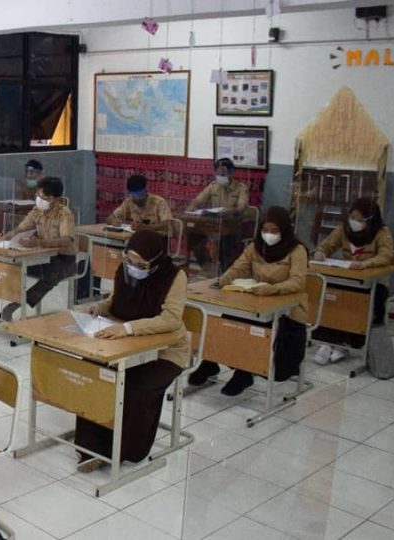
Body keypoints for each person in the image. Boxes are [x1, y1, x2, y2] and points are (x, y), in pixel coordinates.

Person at [75, 230, 188, 472]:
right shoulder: (123, 270)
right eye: (129, 260)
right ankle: (90, 447)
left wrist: (128, 328)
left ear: (156, 261)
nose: (133, 267)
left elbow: (171, 319)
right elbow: (115, 301)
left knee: (137, 386)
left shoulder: (174, 277)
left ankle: (124, 451)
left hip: (165, 352)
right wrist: (99, 307)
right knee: (94, 373)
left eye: (141, 264)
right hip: (125, 347)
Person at [188, 206, 309, 396]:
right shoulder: (256, 246)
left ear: (284, 230)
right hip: (255, 302)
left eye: (274, 231)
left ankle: (244, 372)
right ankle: (210, 362)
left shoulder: (297, 250)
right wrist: (223, 280)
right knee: (225, 322)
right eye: (265, 230)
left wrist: (273, 289)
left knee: (251, 328)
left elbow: (298, 281)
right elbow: (239, 268)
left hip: (286, 309)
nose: (268, 234)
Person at [0, 177, 77, 320]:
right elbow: (21, 228)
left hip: (64, 259)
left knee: (49, 277)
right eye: (38, 195)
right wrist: (6, 237)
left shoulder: (64, 214)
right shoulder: (38, 210)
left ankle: (12, 308)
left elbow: (67, 240)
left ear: (56, 199)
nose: (39, 199)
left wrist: (39, 243)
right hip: (42, 256)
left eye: (44, 197)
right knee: (9, 266)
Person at [311, 198, 394, 364]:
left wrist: (366, 263)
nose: (354, 222)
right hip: (348, 278)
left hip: (373, 283)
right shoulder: (344, 229)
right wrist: (320, 252)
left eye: (360, 219)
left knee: (358, 302)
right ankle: (329, 342)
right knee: (330, 295)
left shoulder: (381, 233)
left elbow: (386, 255)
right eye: (352, 217)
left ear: (370, 220)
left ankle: (347, 343)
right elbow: (327, 245)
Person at [186, 158, 250, 273]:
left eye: (224, 174)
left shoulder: (241, 188)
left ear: (231, 173)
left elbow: (241, 207)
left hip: (233, 224)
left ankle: (227, 271)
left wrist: (229, 210)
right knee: (194, 238)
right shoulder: (213, 186)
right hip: (214, 222)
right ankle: (208, 267)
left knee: (226, 245)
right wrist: (192, 207)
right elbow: (198, 200)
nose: (221, 176)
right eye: (218, 173)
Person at [106, 174, 173, 232]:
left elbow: (167, 224)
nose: (138, 199)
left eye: (140, 195)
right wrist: (113, 221)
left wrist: (146, 228)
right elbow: (111, 217)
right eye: (134, 197)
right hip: (135, 236)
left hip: (158, 238)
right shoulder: (129, 201)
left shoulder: (159, 202)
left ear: (146, 191)